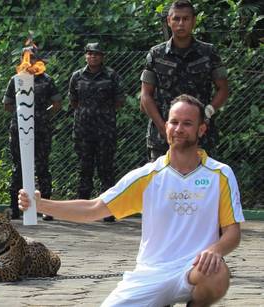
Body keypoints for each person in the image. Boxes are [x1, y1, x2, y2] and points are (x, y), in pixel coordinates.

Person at [19, 94, 243, 306]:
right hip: (151, 273)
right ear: (166, 127)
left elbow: (232, 232)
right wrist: (40, 204)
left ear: (201, 129)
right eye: (174, 122)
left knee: (217, 272)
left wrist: (215, 250)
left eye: (187, 123)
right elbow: (94, 209)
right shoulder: (147, 176)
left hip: (194, 270)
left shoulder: (220, 174)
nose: (178, 129)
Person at [140, 0, 229, 161]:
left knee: (201, 183)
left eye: (186, 19)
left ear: (193, 21)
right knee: (161, 183)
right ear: (169, 21)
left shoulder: (209, 53)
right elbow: (146, 95)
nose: (181, 23)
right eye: (176, 19)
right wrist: (163, 126)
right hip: (162, 138)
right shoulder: (156, 54)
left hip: (200, 135)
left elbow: (223, 89)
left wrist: (207, 112)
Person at [68, 42, 125, 222]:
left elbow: (119, 101)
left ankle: (107, 210)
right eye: (90, 54)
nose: (93, 57)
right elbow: (74, 101)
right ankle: (82, 211)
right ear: (85, 56)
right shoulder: (77, 76)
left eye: (97, 54)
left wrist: (102, 114)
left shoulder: (111, 76)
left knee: (106, 170)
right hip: (83, 130)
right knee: (84, 169)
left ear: (102, 57)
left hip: (105, 130)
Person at [3, 46, 62, 220]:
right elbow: (7, 105)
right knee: (18, 167)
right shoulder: (16, 79)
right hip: (20, 130)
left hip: (41, 130)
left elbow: (57, 104)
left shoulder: (47, 80)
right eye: (26, 56)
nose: (29, 59)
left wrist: (42, 114)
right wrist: (23, 115)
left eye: (33, 57)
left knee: (42, 167)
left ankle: (45, 208)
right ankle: (15, 208)